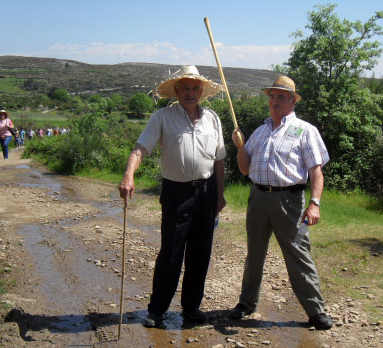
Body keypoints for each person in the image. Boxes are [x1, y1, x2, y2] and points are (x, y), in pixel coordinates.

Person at [118, 65, 226, 327]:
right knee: (171, 253)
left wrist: (219, 195)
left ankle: (191, 308)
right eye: (185, 88)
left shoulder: (212, 118)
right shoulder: (162, 117)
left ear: (202, 92)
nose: (190, 93)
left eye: (195, 88)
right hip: (177, 193)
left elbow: (220, 159)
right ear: (176, 91)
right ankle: (156, 310)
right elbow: (141, 148)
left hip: (206, 192)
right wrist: (129, 174)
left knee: (201, 253)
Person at [229, 76, 333, 330]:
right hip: (258, 197)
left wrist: (315, 203)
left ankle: (316, 311)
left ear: (292, 101)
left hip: (290, 200)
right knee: (254, 253)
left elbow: (316, 172)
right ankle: (246, 303)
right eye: (272, 96)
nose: (275, 101)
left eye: (281, 97)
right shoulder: (261, 131)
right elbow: (244, 170)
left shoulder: (305, 131)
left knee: (298, 254)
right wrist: (240, 147)